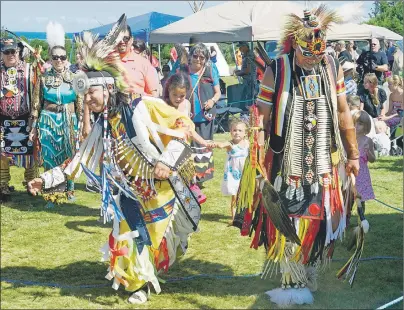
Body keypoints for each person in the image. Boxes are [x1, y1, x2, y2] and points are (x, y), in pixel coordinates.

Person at [28, 15, 201, 305]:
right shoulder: (103, 123)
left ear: (108, 88)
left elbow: (184, 124)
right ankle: (139, 284)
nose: (87, 100)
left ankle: (141, 281)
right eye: (84, 95)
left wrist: (167, 163)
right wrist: (44, 179)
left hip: (159, 190)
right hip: (127, 191)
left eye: (91, 93)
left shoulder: (141, 108)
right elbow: (76, 162)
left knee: (154, 239)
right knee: (130, 234)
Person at [234, 5, 360, 306]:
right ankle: (292, 280)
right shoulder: (278, 68)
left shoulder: (331, 66)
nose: (312, 59)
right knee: (288, 219)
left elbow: (343, 112)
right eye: (307, 54)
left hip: (322, 161)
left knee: (319, 220)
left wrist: (353, 153)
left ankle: (310, 267)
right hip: (284, 162)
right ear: (295, 44)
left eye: (317, 53)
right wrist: (257, 156)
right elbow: (262, 118)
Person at [31, 21, 83, 205]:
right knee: (50, 154)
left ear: (66, 59)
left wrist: (83, 124)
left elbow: (80, 103)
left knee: (69, 153)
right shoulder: (44, 78)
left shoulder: (75, 78)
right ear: (50, 58)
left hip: (69, 120)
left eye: (62, 57)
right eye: (55, 57)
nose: (59, 60)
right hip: (48, 120)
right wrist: (33, 127)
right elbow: (36, 103)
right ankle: (52, 191)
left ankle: (69, 188)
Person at [0, 37, 40, 201]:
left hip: (26, 118)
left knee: (30, 153)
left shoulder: (30, 70)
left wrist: (34, 120)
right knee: (2, 153)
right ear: (1, 54)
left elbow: (37, 94)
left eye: (13, 52)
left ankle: (31, 184)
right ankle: (3, 186)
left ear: (19, 52)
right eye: (6, 52)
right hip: (3, 120)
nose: (10, 55)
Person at [186, 43, 221, 185]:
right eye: (195, 56)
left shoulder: (210, 70)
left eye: (202, 57)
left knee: (203, 148)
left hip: (205, 117)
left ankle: (201, 179)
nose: (198, 60)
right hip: (187, 117)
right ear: (190, 56)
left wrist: (212, 101)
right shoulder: (183, 71)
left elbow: (218, 92)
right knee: (188, 148)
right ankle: (189, 177)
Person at [215, 119, 249, 225]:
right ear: (230, 132)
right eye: (234, 130)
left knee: (247, 194)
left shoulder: (248, 143)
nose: (237, 133)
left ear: (245, 133)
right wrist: (214, 144)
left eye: (240, 130)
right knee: (235, 195)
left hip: (245, 172)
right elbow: (222, 145)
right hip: (234, 173)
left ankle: (246, 216)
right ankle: (234, 217)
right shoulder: (230, 144)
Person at [116, 26, 159, 97]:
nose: (122, 41)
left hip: (137, 105)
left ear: (131, 40)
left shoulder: (143, 63)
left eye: (125, 38)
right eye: (118, 38)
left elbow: (154, 96)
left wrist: (136, 96)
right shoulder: (106, 62)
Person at [353, 111, 376, 210]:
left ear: (366, 126)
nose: (356, 126)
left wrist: (368, 152)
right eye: (354, 123)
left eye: (360, 124)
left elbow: (372, 160)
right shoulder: (349, 139)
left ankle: (361, 220)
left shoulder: (368, 141)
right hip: (350, 172)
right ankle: (345, 219)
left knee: (361, 199)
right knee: (347, 197)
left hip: (362, 174)